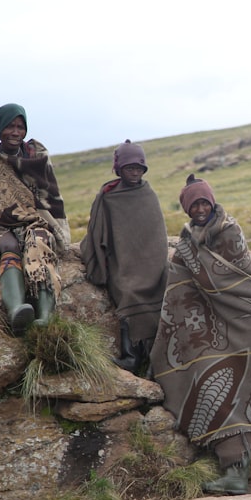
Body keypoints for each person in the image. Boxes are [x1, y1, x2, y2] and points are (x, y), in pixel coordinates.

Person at [149, 174, 251, 494]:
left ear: (213, 202)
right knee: (209, 385)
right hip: (210, 329)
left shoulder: (229, 231)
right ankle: (236, 467)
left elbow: (236, 279)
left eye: (204, 202)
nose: (201, 209)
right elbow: (179, 290)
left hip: (249, 321)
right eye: (194, 205)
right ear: (186, 209)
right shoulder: (186, 242)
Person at [0, 103, 69, 336]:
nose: (16, 132)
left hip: (34, 223)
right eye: (10, 126)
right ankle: (16, 309)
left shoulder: (37, 159)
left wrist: (54, 231)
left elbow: (51, 201)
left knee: (38, 243)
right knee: (8, 245)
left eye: (20, 127)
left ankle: (45, 315)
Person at [79, 140, 168, 373]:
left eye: (139, 169)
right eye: (130, 168)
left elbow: (155, 236)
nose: (135, 173)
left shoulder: (148, 195)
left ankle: (151, 359)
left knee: (160, 290)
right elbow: (99, 232)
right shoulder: (109, 196)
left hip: (150, 263)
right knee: (126, 290)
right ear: (119, 169)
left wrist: (153, 264)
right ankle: (131, 356)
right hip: (122, 262)